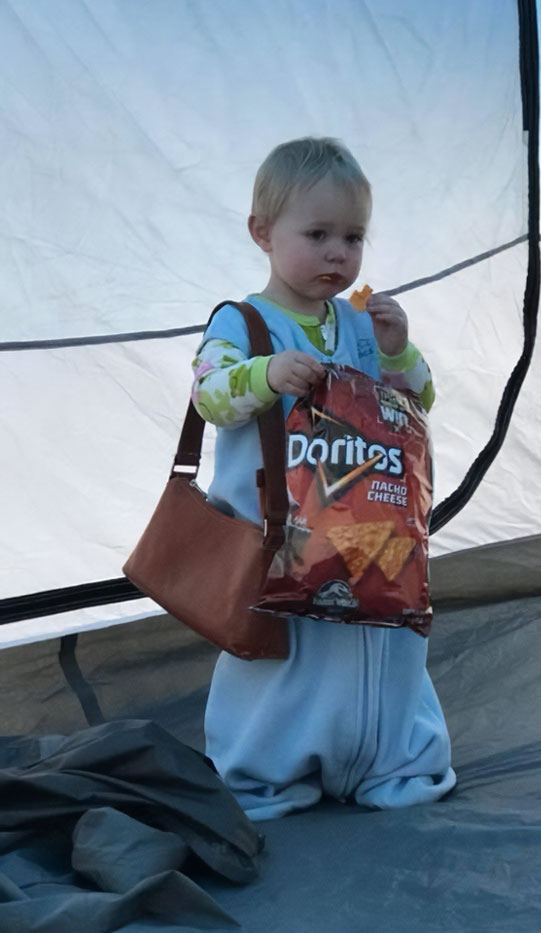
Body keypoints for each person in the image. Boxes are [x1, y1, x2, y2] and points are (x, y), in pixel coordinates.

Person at [191, 137, 456, 821]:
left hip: (367, 533)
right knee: (283, 663)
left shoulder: (360, 323)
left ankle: (387, 761)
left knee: (378, 648)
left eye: (353, 236)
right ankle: (269, 772)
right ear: (262, 233)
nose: (338, 253)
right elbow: (209, 396)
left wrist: (401, 351)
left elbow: (417, 402)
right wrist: (266, 373)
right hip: (280, 542)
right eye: (317, 234)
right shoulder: (244, 321)